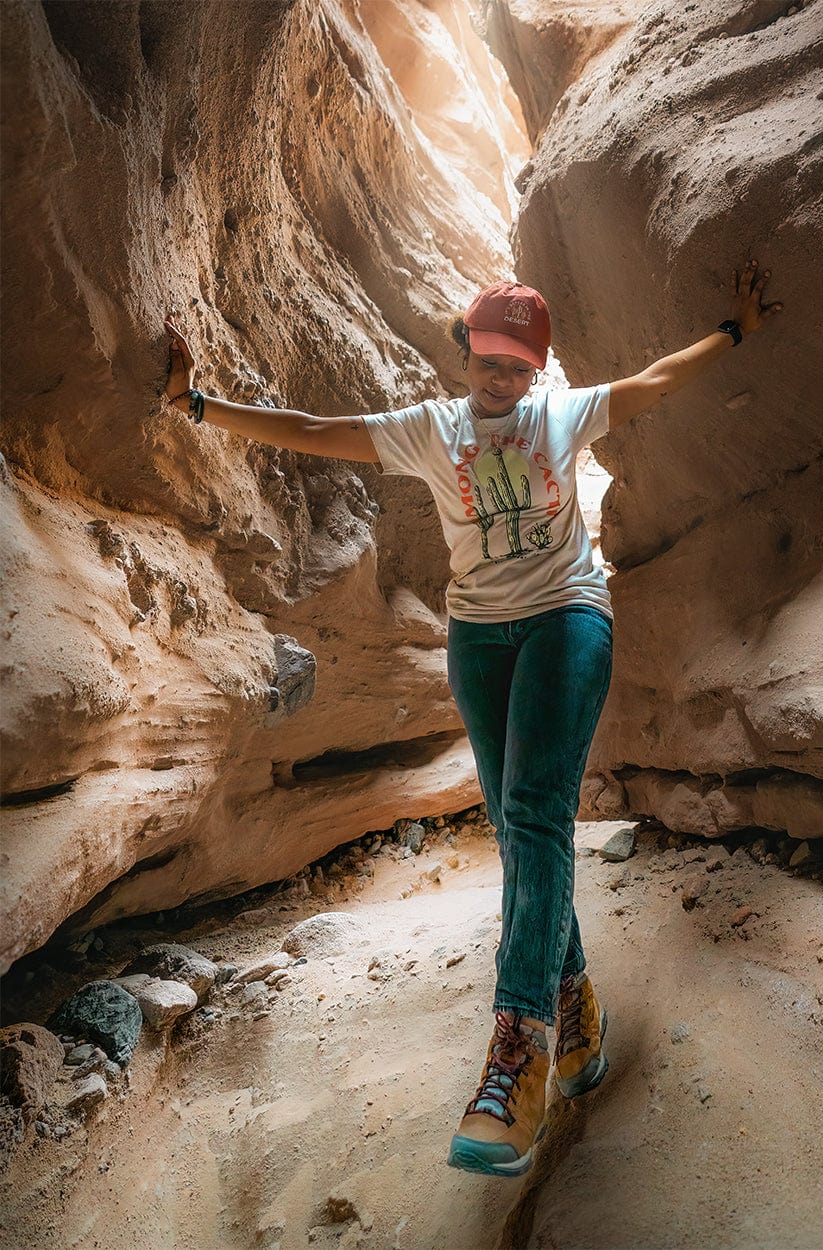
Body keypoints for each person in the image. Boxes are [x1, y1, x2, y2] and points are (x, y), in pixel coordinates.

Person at [163, 260, 781, 1178]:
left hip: (569, 620)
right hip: (479, 640)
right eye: (489, 360)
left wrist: (733, 334)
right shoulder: (430, 430)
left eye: (518, 366)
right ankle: (576, 1005)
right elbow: (308, 429)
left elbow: (651, 383)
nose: (501, 379)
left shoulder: (559, 415)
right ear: (465, 352)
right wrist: (197, 405)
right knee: (518, 826)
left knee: (534, 814)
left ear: (539, 367)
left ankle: (516, 1048)